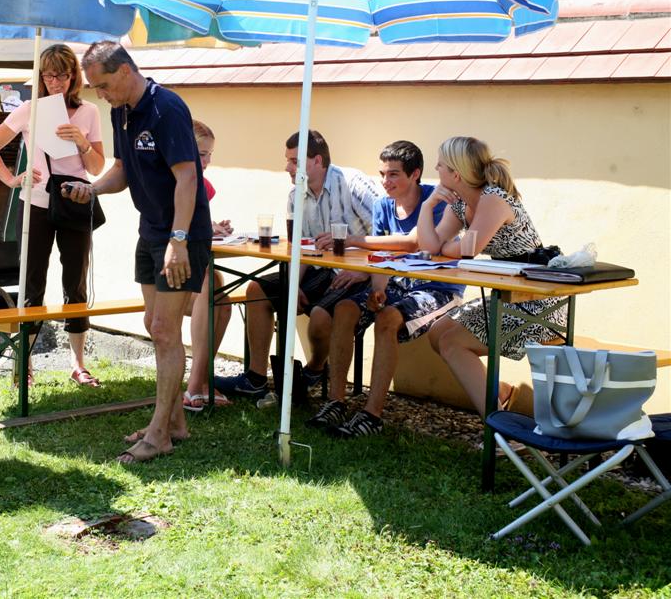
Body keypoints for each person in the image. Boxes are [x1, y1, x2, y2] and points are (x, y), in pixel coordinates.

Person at [65, 41, 211, 463]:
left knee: (165, 330)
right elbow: (125, 169)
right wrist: (92, 188)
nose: (101, 94)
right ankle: (176, 423)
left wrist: (178, 241)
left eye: (104, 84)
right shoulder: (120, 111)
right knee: (154, 324)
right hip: (149, 232)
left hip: (179, 237)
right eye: (95, 87)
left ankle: (160, 433)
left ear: (127, 71)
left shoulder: (168, 109)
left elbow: (187, 178)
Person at [309, 140, 465, 436]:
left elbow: (413, 242)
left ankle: (372, 416)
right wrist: (377, 289)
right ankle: (336, 402)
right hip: (397, 284)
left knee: (388, 318)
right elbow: (382, 259)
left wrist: (354, 240)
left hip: (438, 288)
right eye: (382, 174)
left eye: (393, 174)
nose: (385, 181)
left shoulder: (437, 200)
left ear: (415, 174)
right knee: (344, 307)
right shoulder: (383, 205)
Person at [214, 130, 380, 403]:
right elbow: (301, 248)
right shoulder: (296, 196)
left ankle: (314, 370)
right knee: (257, 290)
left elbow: (388, 230)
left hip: (358, 273)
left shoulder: (352, 183)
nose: (287, 168)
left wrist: (364, 271)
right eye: (288, 160)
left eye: (294, 161)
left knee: (318, 316)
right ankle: (255, 379)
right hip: (318, 269)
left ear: (316, 161)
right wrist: (293, 284)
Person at [0, 44, 105, 387]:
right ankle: (25, 363)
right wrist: (11, 178)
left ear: (73, 76)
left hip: (75, 202)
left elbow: (96, 167)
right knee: (31, 283)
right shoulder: (29, 109)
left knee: (75, 282)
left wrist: (81, 141)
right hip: (34, 202)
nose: (55, 81)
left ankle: (78, 363)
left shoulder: (89, 112)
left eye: (62, 74)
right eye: (48, 74)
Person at [420, 136, 564, 417]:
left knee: (452, 343)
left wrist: (450, 248)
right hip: (507, 296)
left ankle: (498, 432)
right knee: (437, 334)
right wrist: (427, 206)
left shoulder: (493, 199)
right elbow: (429, 247)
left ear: (456, 174)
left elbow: (467, 249)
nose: (435, 168)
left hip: (538, 303)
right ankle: (501, 395)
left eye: (440, 164)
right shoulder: (460, 204)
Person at [182, 119, 233, 411]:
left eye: (210, 155)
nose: (207, 161)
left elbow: (196, 222)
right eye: (202, 154)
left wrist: (213, 226)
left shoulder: (205, 186)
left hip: (194, 262)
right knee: (209, 288)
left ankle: (200, 379)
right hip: (168, 269)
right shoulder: (175, 179)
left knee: (220, 298)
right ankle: (194, 386)